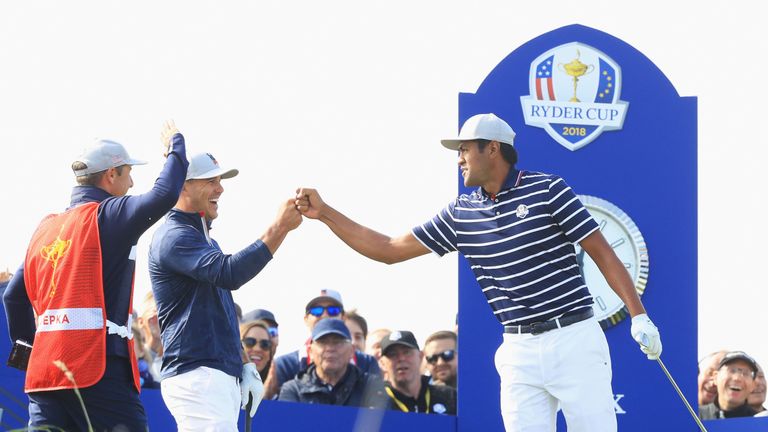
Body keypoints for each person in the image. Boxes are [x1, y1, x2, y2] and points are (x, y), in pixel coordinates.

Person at [295, 113, 662, 431]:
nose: (459, 159)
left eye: (465, 150)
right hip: (518, 349)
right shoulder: (461, 213)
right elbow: (388, 249)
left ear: (493, 149)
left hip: (574, 338)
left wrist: (638, 316)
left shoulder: (549, 191)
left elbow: (602, 253)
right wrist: (325, 213)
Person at [2, 122, 188, 431]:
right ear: (111, 175)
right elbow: (165, 193)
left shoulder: (45, 227)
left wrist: (29, 351)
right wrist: (175, 147)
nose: (132, 183)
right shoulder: (108, 215)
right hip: (97, 370)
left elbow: (13, 297)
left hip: (44, 378)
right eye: (129, 173)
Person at [148, 151, 302, 431]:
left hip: (211, 375)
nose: (220, 189)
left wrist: (243, 362)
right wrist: (280, 227)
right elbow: (230, 273)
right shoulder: (174, 237)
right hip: (197, 375)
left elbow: (220, 313)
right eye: (210, 181)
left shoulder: (202, 239)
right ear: (182, 186)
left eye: (220, 181)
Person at [272, 289, 380, 391]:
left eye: (333, 310)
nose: (324, 315)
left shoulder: (367, 363)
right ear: (306, 319)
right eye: (316, 311)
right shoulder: (285, 365)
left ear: (343, 318)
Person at [278, 318, 388, 408]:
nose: (330, 348)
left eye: (337, 342)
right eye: (322, 342)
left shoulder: (371, 386)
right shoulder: (293, 390)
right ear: (310, 352)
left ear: (352, 351)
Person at [379, 330, 456, 415]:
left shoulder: (449, 396)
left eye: (407, 352)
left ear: (420, 356)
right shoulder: (376, 401)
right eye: (393, 354)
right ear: (382, 363)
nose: (401, 358)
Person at [699, 351, 759, 419]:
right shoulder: (695, 416)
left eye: (745, 373)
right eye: (732, 370)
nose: (737, 378)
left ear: (753, 385)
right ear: (715, 377)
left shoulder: (759, 421)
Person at [136, 291, 163, 383]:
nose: (162, 317)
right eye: (156, 310)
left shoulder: (182, 362)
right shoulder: (133, 361)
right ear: (140, 322)